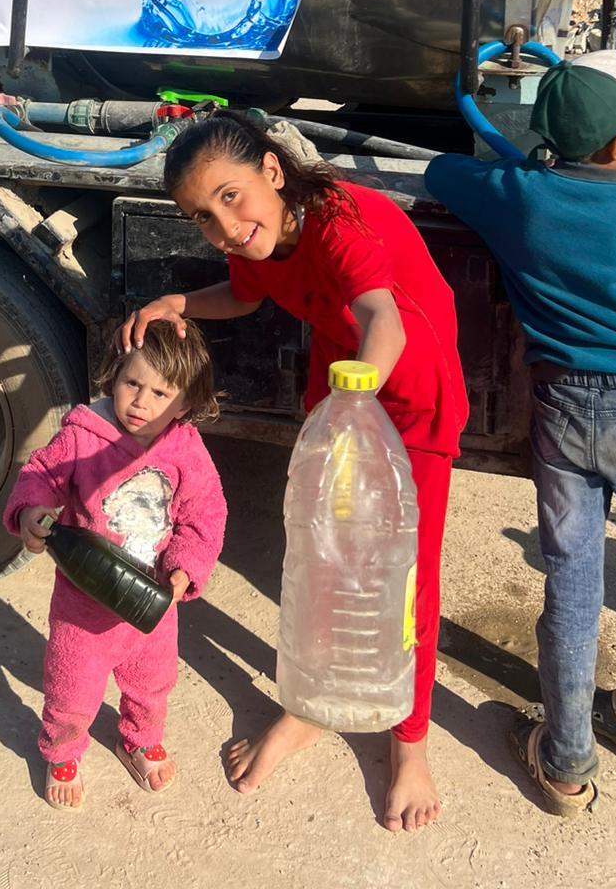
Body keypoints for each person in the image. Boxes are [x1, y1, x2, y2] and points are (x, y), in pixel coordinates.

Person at [120, 110, 467, 833]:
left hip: (406, 404)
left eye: (231, 196)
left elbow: (385, 323)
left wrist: (353, 414)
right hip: (343, 399)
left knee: (404, 580)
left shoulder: (342, 223)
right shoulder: (260, 236)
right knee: (321, 564)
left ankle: (408, 747)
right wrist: (178, 302)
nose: (223, 226)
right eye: (202, 217)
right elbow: (245, 294)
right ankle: (307, 709)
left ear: (272, 172)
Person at [425, 60, 616, 817]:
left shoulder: (520, 200)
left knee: (572, 581)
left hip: (562, 408)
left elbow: (440, 169)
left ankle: (564, 762)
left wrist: (527, 167)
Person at [3, 320, 227, 809]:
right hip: (84, 600)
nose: (141, 403)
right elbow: (41, 473)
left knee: (153, 683)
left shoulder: (185, 451)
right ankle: (62, 750)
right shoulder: (85, 434)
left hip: (152, 599)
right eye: (132, 384)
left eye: (161, 394)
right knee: (71, 686)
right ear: (115, 376)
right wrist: (31, 511)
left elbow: (206, 514)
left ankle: (139, 738)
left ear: (185, 404)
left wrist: (185, 569)